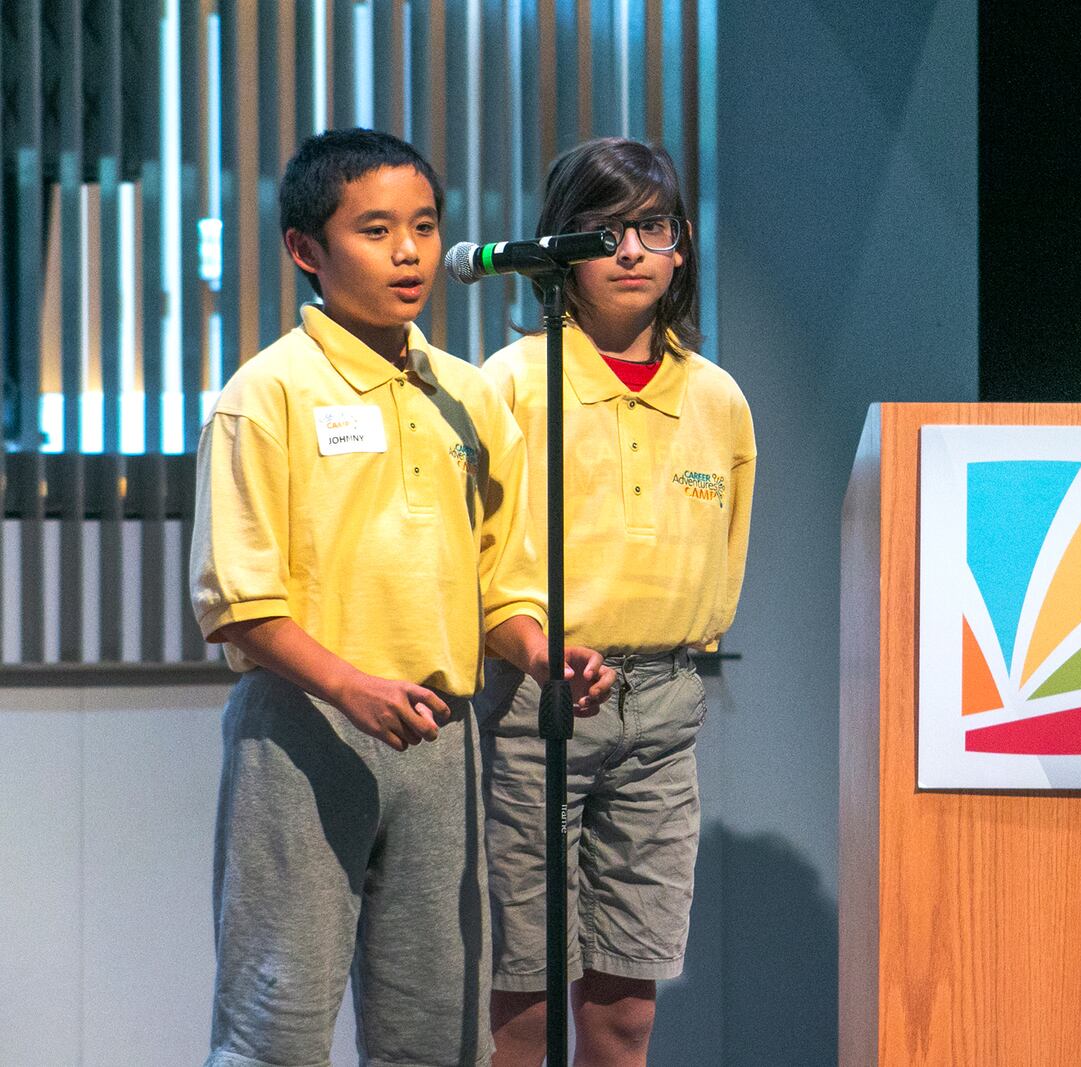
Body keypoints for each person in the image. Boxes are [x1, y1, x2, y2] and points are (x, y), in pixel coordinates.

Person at [190, 127, 614, 1067]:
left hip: (440, 734)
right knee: (277, 1020)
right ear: (308, 250)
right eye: (376, 230)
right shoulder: (266, 395)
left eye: (424, 225)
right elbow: (237, 603)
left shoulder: (468, 395)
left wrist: (543, 652)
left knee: (438, 1025)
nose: (411, 252)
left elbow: (504, 581)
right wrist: (350, 687)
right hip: (304, 727)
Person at [476, 137, 756, 1066]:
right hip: (533, 705)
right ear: (562, 248)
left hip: (665, 709)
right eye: (604, 231)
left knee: (627, 1002)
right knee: (523, 996)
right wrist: (531, 646)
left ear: (680, 247)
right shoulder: (512, 381)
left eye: (652, 227)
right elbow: (478, 551)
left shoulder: (716, 396)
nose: (631, 250)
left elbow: (724, 550)